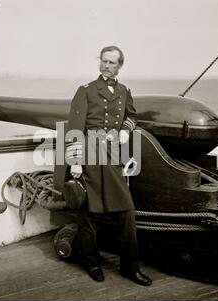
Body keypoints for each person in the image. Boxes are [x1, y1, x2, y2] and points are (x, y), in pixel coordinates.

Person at [65, 46, 152, 286]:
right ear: (99, 63)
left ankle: (130, 268)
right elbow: (74, 128)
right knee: (90, 214)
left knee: (126, 212)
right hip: (90, 154)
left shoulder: (124, 91)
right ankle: (91, 262)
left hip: (114, 155)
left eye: (112, 62)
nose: (107, 66)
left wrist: (125, 131)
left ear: (120, 66)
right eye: (104, 61)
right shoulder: (86, 91)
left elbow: (132, 117)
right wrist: (75, 162)